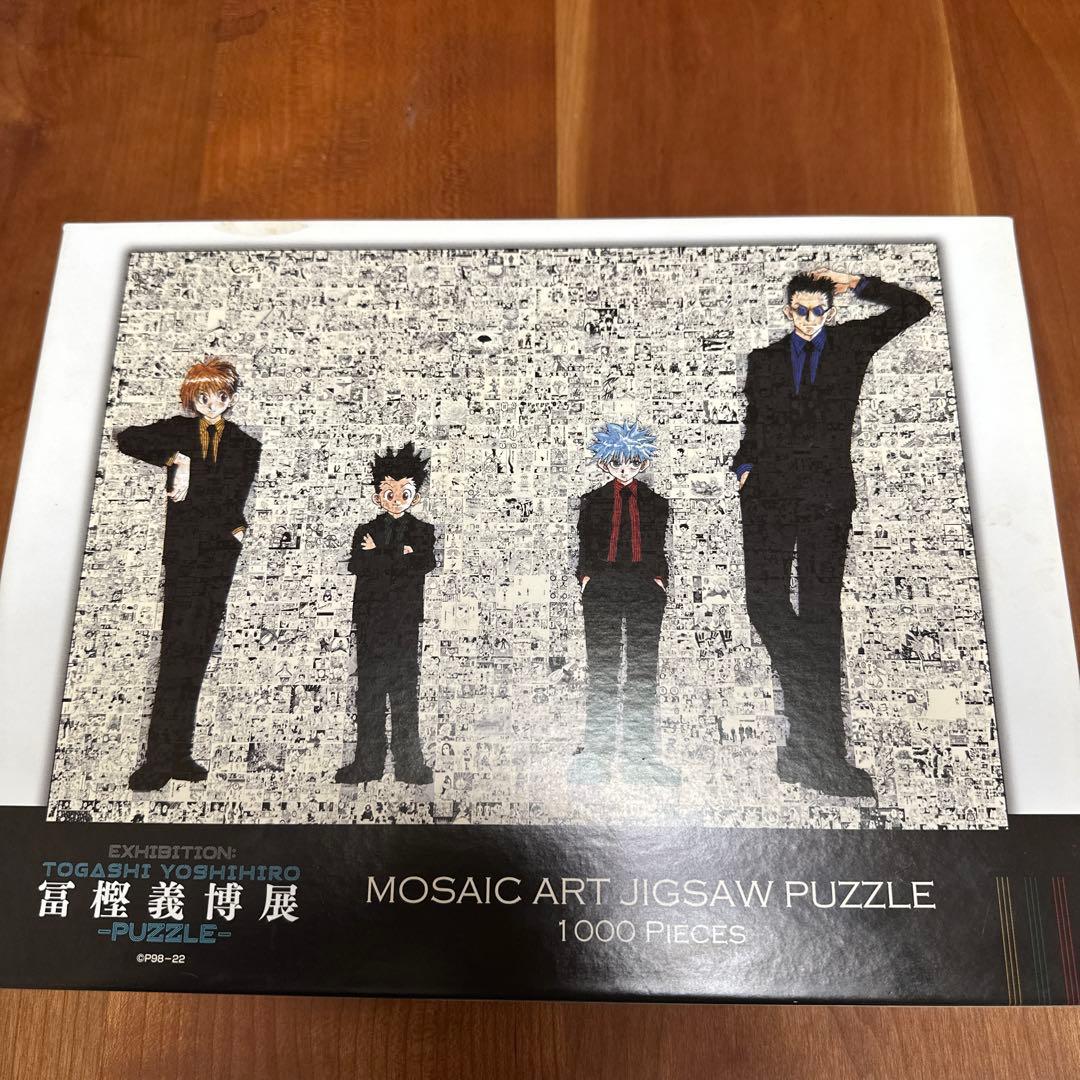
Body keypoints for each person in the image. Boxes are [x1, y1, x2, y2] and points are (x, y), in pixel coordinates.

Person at [733, 268, 931, 797]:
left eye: (818, 310)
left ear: (831, 310)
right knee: (764, 603)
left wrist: (859, 283)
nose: (809, 319)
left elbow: (916, 308)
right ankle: (805, 747)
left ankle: (819, 759)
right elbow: (757, 422)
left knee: (820, 615)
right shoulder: (764, 360)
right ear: (787, 310)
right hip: (768, 494)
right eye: (800, 310)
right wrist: (745, 466)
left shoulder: (851, 345)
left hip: (825, 498)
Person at [116, 357, 261, 791]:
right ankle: (159, 760)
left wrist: (232, 529)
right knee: (176, 650)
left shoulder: (245, 444)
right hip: (184, 555)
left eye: (221, 396)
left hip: (219, 553)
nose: (212, 404)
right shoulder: (177, 431)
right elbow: (126, 438)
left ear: (230, 397)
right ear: (191, 398)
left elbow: (228, 494)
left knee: (196, 653)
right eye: (203, 396)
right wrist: (175, 458)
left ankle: (178, 754)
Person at [574, 421, 678, 785]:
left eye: (631, 461)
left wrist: (658, 580)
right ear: (605, 462)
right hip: (602, 585)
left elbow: (657, 544)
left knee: (643, 672)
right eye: (617, 462)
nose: (624, 469)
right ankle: (597, 758)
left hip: (643, 586)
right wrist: (587, 578)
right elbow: (585, 543)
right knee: (602, 669)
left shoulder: (656, 503)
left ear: (642, 462)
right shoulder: (592, 502)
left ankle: (640, 758)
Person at [337, 442, 437, 786]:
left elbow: (423, 563)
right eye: (388, 493)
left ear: (415, 497)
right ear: (377, 496)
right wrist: (398, 555)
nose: (396, 500)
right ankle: (368, 763)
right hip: (370, 619)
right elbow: (358, 565)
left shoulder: (423, 532)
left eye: (404, 493)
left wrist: (380, 553)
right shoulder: (364, 530)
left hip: (404, 621)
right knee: (370, 690)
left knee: (404, 690)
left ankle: (409, 764)